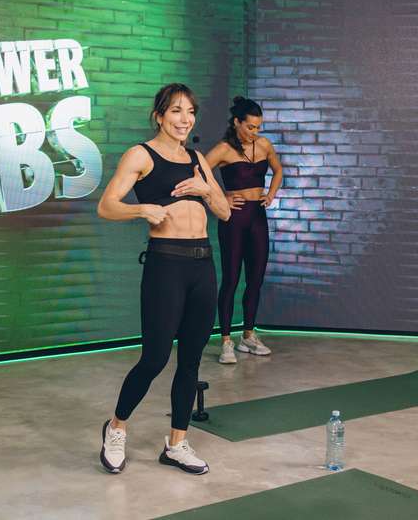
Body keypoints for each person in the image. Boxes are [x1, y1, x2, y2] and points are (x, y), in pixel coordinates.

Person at [97, 83, 230, 474]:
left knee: (190, 361)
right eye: (176, 111)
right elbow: (106, 206)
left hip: (202, 266)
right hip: (166, 266)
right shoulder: (141, 154)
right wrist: (142, 211)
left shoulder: (197, 159)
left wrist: (206, 189)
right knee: (155, 358)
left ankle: (176, 443)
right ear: (159, 116)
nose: (184, 119)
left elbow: (224, 212)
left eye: (190, 112)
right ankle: (116, 427)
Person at [206, 96, 283, 364]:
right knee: (230, 280)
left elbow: (278, 170)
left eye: (258, 127)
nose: (255, 132)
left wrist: (271, 194)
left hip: (257, 217)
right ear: (237, 122)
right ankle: (226, 340)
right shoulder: (224, 149)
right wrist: (221, 197)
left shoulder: (264, 144)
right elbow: (198, 173)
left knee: (256, 279)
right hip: (234, 219)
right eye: (250, 126)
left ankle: (248, 336)